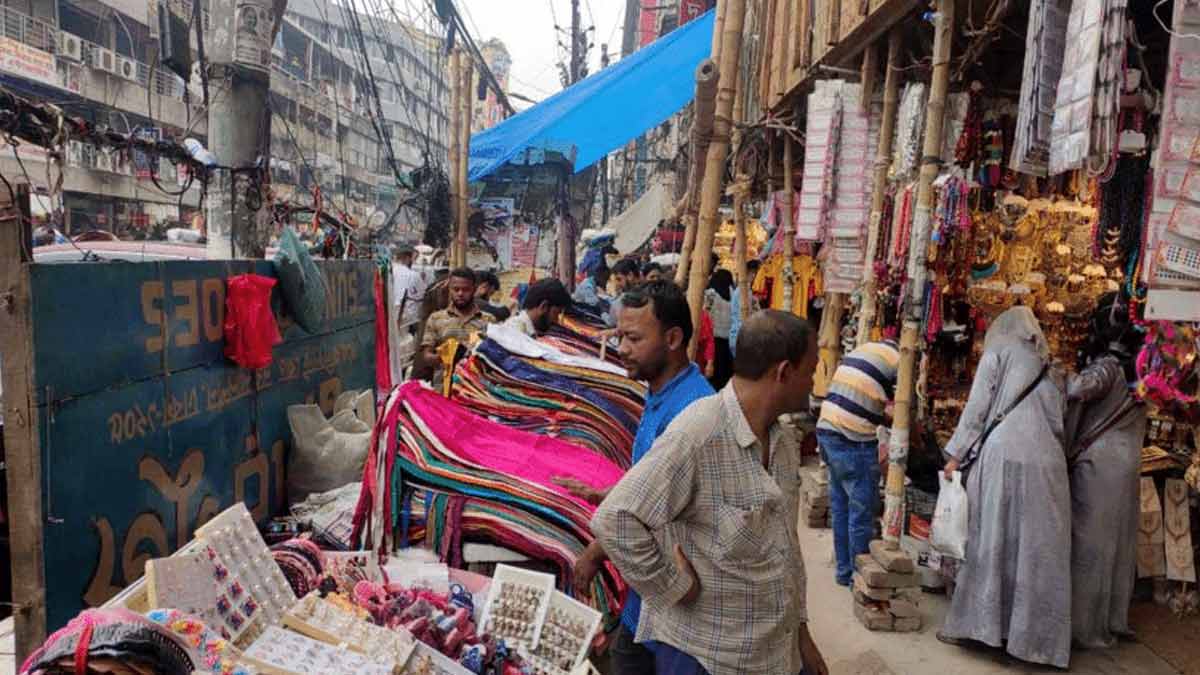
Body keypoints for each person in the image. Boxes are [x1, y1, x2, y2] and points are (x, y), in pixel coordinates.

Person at [592, 310, 827, 675]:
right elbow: (615, 519)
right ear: (783, 372)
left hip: (770, 653)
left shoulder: (782, 440)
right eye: (810, 371)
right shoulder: (698, 433)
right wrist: (673, 586)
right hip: (707, 658)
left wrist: (801, 633)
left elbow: (787, 548)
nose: (814, 382)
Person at [554, 281, 713, 675]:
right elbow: (653, 481)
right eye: (620, 336)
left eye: (634, 338)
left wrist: (595, 552)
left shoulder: (691, 411)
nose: (622, 348)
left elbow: (659, 506)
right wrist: (604, 492)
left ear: (672, 339)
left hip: (676, 606)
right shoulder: (661, 393)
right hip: (648, 600)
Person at [939, 306, 1070, 669]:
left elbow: (978, 407)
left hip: (1003, 456)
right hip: (1048, 463)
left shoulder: (998, 351)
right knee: (1034, 551)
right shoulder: (1050, 364)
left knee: (992, 540)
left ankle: (982, 628)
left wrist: (955, 455)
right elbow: (1059, 422)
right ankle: (1029, 640)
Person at [1067, 294, 1147, 649]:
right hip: (1127, 464)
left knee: (1091, 544)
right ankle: (1112, 618)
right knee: (1117, 541)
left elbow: (1076, 389)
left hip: (1099, 466)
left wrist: (1053, 373)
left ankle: (1085, 626)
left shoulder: (1108, 367)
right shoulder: (1143, 372)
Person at [815, 340, 899, 586]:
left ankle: (844, 573)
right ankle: (858, 578)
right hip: (852, 437)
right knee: (861, 513)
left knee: (841, 506)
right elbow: (899, 409)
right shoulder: (901, 363)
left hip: (827, 429)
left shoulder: (867, 350)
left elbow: (868, 401)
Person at [420, 267, 494, 389]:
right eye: (456, 289)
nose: (460, 293)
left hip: (475, 391)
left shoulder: (488, 320)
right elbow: (426, 355)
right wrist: (445, 357)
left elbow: (494, 357)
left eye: (465, 289)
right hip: (443, 389)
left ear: (474, 289)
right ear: (449, 289)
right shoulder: (436, 318)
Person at [504, 278, 572, 337]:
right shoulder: (517, 334)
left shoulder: (525, 331)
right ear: (543, 306)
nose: (556, 320)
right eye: (556, 313)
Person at [703, 269, 735, 389]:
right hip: (729, 341)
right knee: (725, 373)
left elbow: (704, 312)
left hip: (713, 340)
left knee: (714, 375)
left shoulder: (710, 294)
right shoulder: (734, 294)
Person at [729, 259, 762, 357]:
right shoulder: (743, 292)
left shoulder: (745, 291)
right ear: (752, 274)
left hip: (739, 334)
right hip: (742, 335)